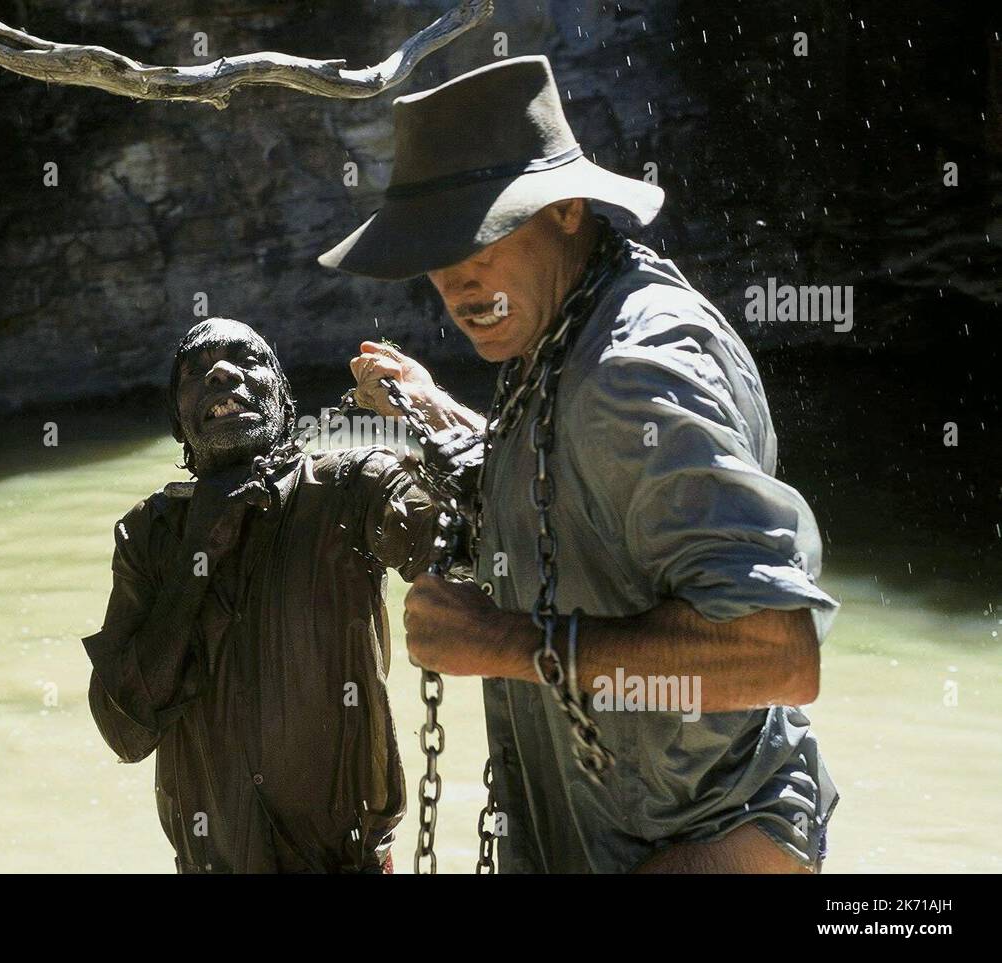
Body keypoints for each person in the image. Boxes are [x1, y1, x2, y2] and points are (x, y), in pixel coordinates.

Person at [323, 55, 840, 873]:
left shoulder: (635, 370)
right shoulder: (576, 323)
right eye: (434, 248)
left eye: (481, 235)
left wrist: (502, 641)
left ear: (564, 208)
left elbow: (774, 652)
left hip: (699, 845)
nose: (458, 280)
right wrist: (442, 415)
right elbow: (578, 491)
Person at [81, 317, 436, 873]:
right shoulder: (148, 535)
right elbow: (124, 730)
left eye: (245, 359)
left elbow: (464, 543)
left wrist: (426, 413)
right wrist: (198, 551)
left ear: (283, 401)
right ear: (180, 421)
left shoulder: (353, 488)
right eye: (195, 372)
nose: (220, 372)